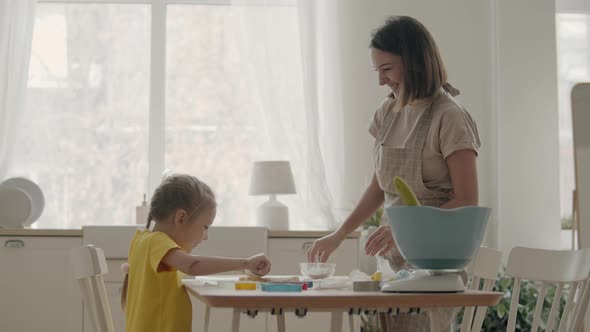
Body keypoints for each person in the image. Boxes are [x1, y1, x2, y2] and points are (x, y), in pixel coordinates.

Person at [307, 15, 480, 331]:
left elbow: (467, 200)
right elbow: (380, 184)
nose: (381, 80)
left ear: (414, 62)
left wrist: (406, 231)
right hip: (393, 261)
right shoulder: (387, 111)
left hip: (436, 264)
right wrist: (339, 234)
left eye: (387, 69)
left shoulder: (450, 117)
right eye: (377, 70)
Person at [121, 174, 271, 332]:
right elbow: (193, 265)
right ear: (181, 218)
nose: (206, 236)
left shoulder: (141, 240)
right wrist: (245, 263)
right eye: (205, 227)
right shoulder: (157, 242)